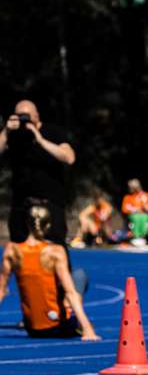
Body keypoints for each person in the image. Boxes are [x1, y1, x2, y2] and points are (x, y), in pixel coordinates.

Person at [0, 206, 100, 341]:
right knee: (79, 275)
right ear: (48, 226)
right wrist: (88, 329)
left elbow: (1, 290)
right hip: (57, 326)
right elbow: (70, 291)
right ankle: (76, 318)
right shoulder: (55, 252)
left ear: (27, 224)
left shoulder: (12, 250)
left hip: (32, 328)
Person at [0, 100, 75, 244]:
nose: (24, 119)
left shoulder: (53, 131)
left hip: (50, 204)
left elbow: (69, 158)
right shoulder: (13, 135)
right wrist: (6, 131)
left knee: (54, 250)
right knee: (18, 251)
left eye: (27, 115)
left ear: (37, 115)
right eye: (19, 115)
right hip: (21, 205)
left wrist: (40, 139)